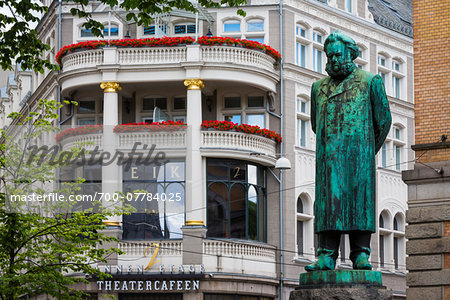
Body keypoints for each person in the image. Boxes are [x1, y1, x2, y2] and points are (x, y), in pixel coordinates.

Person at [306, 31, 391, 271]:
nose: (332, 60)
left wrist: (366, 150)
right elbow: (315, 123)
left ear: (350, 54)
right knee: (327, 207)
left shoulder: (369, 81)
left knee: (359, 205)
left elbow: (383, 121)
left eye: (337, 55)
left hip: (359, 158)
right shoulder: (317, 88)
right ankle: (326, 255)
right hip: (329, 159)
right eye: (329, 55)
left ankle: (361, 254)